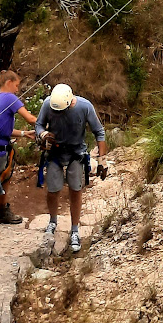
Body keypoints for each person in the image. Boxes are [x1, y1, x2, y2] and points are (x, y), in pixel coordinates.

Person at [35, 83, 106, 252]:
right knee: (53, 189)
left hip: (76, 153)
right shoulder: (48, 104)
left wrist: (102, 160)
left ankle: (75, 229)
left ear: (70, 103)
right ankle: (53, 221)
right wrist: (43, 134)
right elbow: (39, 124)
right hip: (55, 152)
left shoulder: (84, 106)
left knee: (76, 189)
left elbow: (99, 131)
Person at [0, 70, 36, 227]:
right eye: (16, 85)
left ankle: (3, 212)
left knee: (3, 183)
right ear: (9, 83)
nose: (17, 89)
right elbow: (30, 118)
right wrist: (48, 125)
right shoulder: (10, 98)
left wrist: (23, 133)